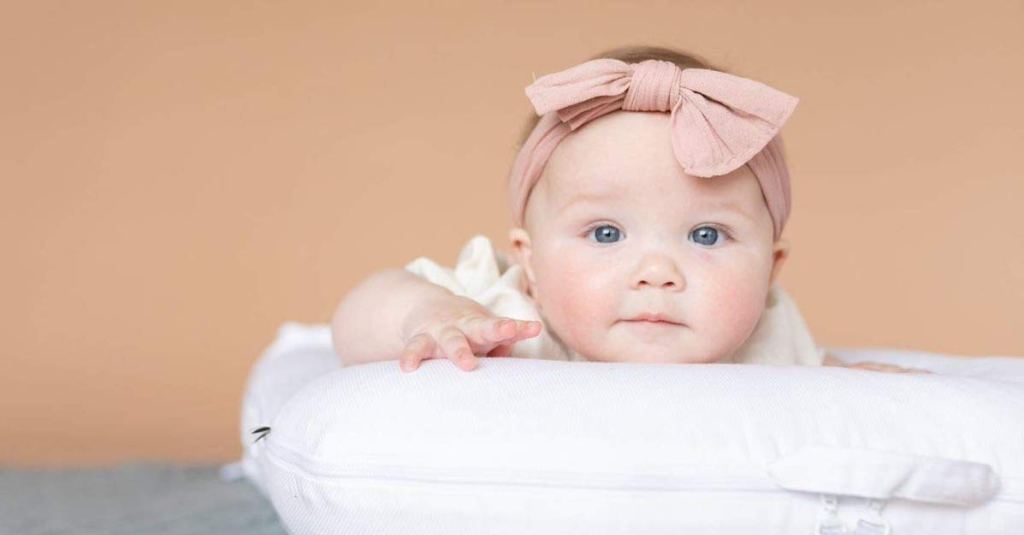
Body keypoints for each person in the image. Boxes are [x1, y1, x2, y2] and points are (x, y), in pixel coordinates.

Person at [331, 45, 930, 375]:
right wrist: (432, 315)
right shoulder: (507, 324)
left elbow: (818, 386)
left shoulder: (770, 339)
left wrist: (855, 385)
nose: (657, 272)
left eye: (706, 234)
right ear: (530, 262)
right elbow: (358, 316)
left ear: (770, 270)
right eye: (607, 231)